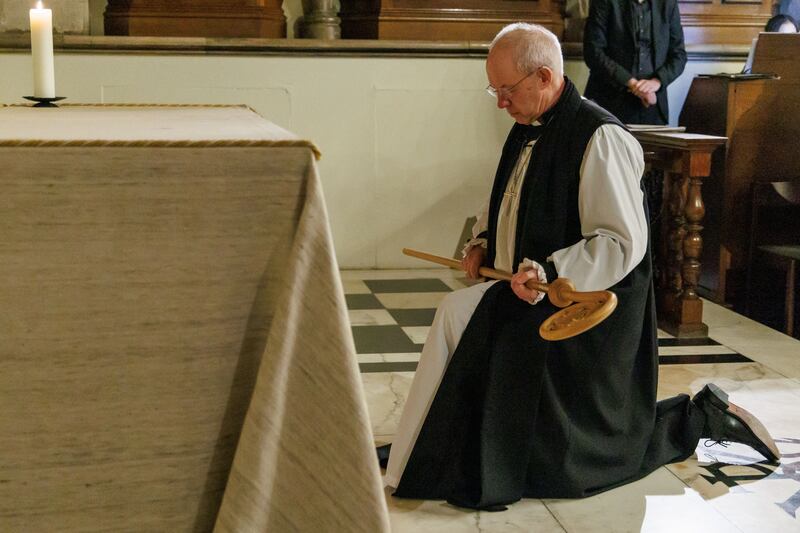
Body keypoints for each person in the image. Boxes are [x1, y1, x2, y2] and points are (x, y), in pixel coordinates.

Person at [379, 23, 780, 512]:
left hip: (587, 310)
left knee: (468, 327)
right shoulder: (529, 126)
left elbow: (619, 243)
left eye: (507, 90)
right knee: (458, 313)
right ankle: (426, 448)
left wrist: (547, 271)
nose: (499, 102)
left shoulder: (600, 137)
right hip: (533, 291)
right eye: (495, 89)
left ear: (545, 76)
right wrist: (483, 244)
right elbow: (507, 201)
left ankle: (698, 418)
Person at [583, 0, 687, 125]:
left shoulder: (667, 3)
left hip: (652, 105)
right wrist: (632, 83)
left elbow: (679, 55)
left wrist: (657, 82)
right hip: (609, 103)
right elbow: (593, 52)